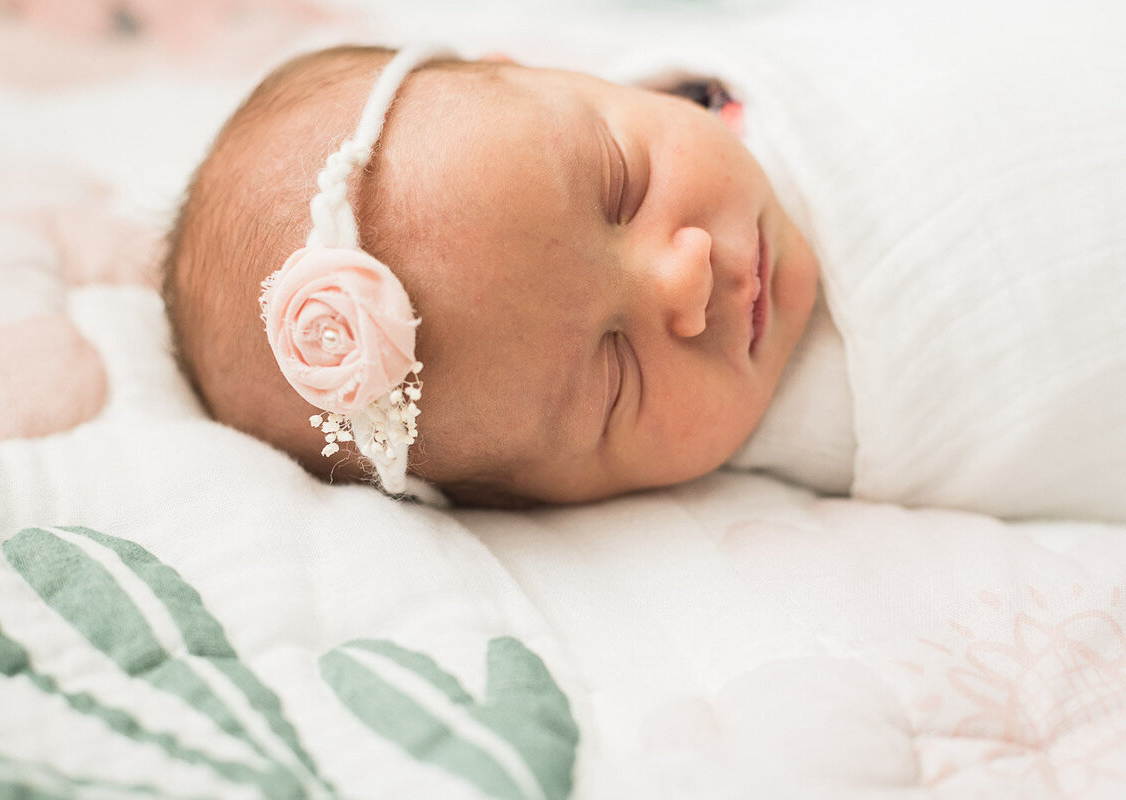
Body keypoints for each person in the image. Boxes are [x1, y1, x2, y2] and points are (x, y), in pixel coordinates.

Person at [162, 44, 821, 506]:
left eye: (623, 186)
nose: (686, 280)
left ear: (542, 71)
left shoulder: (716, 71)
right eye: (616, 378)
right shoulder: (849, 428)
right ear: (548, 504)